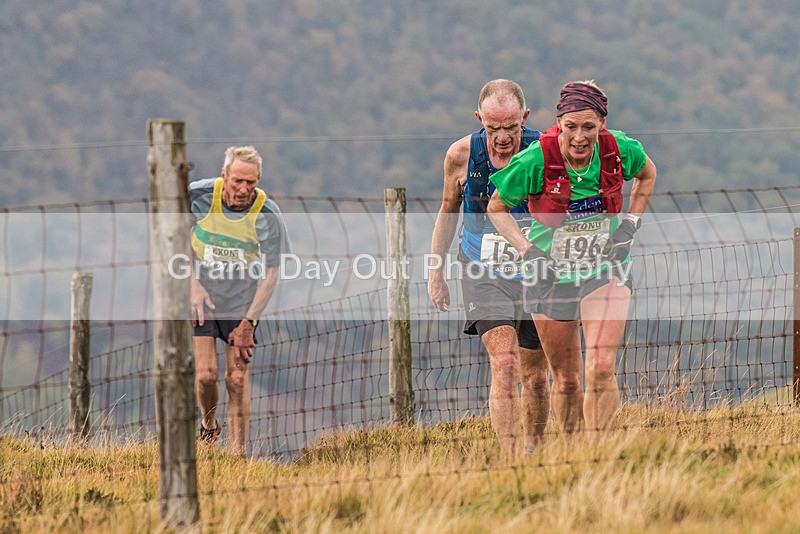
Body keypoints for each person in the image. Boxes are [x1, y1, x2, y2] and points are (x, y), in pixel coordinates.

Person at [488, 80, 657, 438]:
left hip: (604, 269)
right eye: (571, 127)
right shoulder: (535, 159)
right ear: (559, 123)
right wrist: (528, 251)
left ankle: (600, 455)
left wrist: (629, 225)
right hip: (550, 278)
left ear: (602, 126)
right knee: (566, 380)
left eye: (589, 127)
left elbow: (647, 174)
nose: (579, 137)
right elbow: (496, 207)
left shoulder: (619, 150)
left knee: (600, 366)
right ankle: (575, 454)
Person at [428, 79, 550, 454]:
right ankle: (510, 460)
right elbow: (448, 210)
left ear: (524, 119)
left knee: (535, 376)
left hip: (536, 269)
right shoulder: (461, 155)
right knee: (506, 363)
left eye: (510, 128)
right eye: (492, 128)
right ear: (479, 119)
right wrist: (436, 271)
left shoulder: (546, 151)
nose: (501, 137)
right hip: (483, 269)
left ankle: (535, 451)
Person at [189, 145, 291, 457]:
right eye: (237, 181)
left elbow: (273, 273)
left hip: (243, 294)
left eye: (251, 182)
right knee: (206, 375)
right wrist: (191, 284)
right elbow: (167, 235)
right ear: (225, 176)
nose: (244, 188)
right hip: (202, 289)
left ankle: (237, 456)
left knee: (236, 378)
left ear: (258, 181)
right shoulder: (197, 195)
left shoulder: (268, 214)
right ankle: (208, 426)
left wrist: (250, 322)